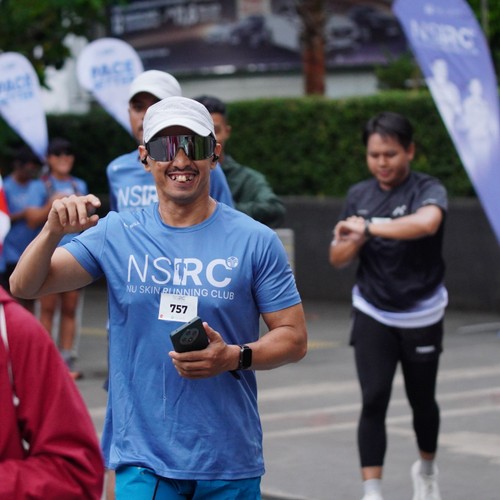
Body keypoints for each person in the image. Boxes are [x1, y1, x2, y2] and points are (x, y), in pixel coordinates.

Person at [10, 96, 308, 499]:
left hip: (228, 458)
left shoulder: (256, 240)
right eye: (165, 147)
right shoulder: (117, 232)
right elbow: (25, 286)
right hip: (144, 459)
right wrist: (51, 232)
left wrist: (233, 357)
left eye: (194, 145)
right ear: (144, 157)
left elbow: (294, 337)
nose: (180, 160)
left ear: (215, 154)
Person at [329, 112, 447, 500]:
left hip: (422, 312)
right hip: (373, 310)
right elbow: (337, 257)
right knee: (374, 398)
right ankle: (372, 492)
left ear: (409, 151)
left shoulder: (428, 189)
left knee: (422, 401)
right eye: (374, 155)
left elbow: (426, 224)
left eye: (390, 154)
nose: (382, 162)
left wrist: (368, 227)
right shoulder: (359, 195)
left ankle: (426, 471)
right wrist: (352, 241)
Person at [0, 285, 104, 498]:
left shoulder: (13, 329)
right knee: (49, 308)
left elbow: (76, 471)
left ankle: (66, 355)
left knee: (66, 306)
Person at [107, 70, 234, 213]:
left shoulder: (206, 168)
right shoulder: (117, 169)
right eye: (138, 107)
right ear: (129, 113)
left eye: (158, 105)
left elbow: (225, 220)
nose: (147, 115)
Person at [34, 137, 89, 380]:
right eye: (58, 154)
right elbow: (31, 220)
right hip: (48, 254)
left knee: (70, 308)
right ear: (49, 159)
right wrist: (51, 205)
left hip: (74, 252)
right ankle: (45, 362)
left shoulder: (79, 184)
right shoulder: (41, 185)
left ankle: (66, 361)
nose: (64, 158)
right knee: (47, 308)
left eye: (68, 153)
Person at [194, 94, 286, 228]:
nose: (209, 139)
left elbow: (275, 209)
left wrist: (224, 210)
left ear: (227, 131)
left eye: (215, 131)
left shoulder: (246, 179)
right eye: (200, 132)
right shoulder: (174, 176)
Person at [0, 146, 46, 313]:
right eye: (29, 165)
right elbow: (3, 218)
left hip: (32, 248)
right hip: (11, 251)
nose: (32, 169)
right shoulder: (5, 186)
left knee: (31, 298)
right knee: (15, 298)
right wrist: (23, 214)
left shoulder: (38, 186)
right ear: (18, 165)